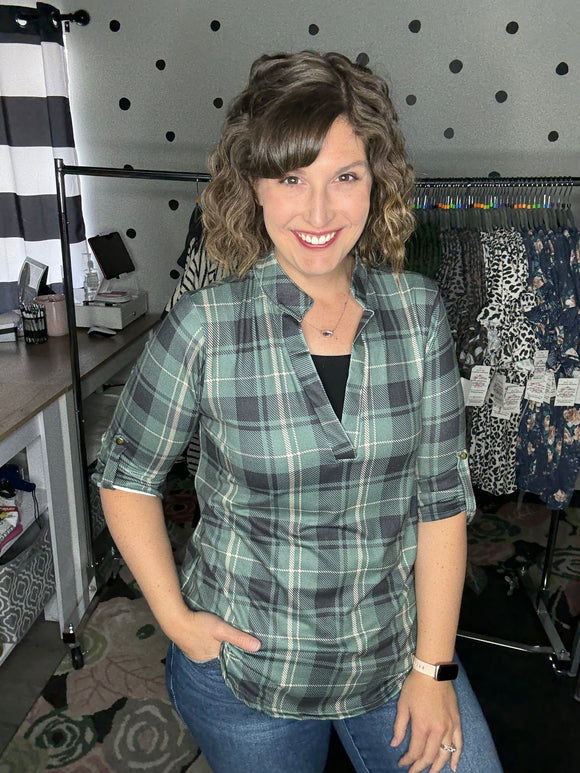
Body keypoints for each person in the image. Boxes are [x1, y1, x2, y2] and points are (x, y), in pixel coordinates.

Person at [96, 51, 503, 773]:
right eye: (291, 179)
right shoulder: (203, 326)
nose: (318, 213)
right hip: (248, 671)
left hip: (391, 653)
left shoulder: (418, 313)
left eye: (345, 177)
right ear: (253, 184)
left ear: (377, 182)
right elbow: (126, 475)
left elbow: (441, 500)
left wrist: (434, 667)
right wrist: (176, 618)